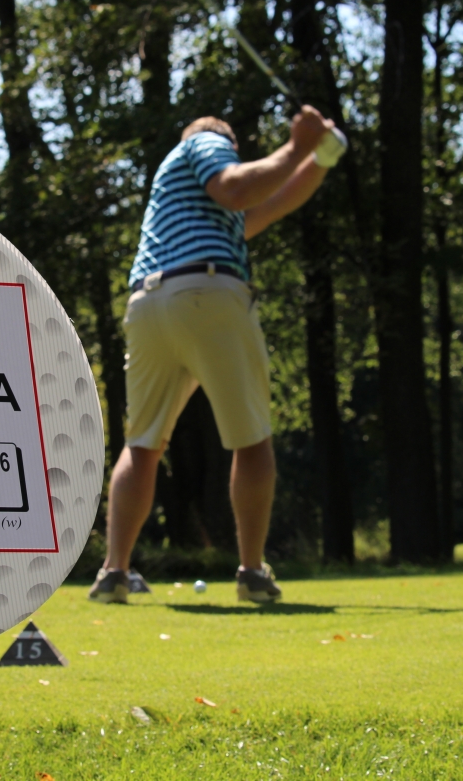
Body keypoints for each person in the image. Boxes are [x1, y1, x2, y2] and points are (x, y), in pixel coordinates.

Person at [88, 105, 345, 604]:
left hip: (149, 305)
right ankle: (251, 572)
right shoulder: (203, 142)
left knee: (142, 444)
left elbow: (272, 204)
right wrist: (296, 145)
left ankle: (113, 573)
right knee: (252, 440)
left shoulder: (195, 205)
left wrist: (321, 158)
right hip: (206, 293)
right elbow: (236, 187)